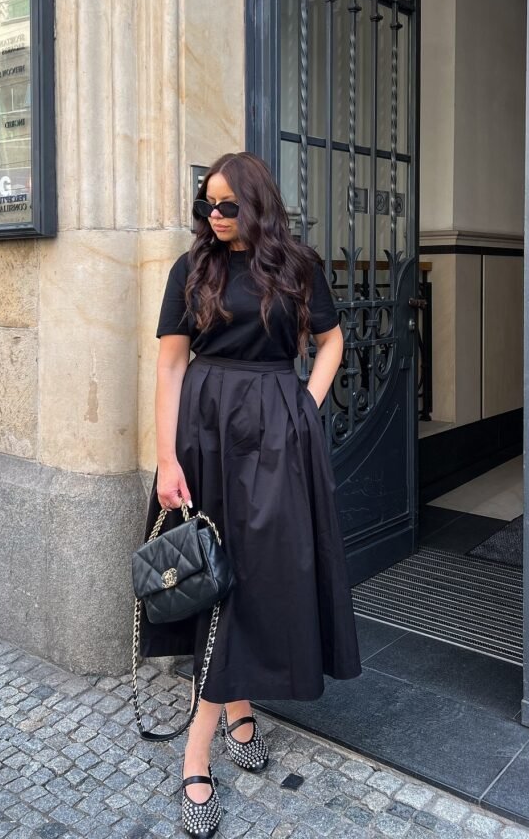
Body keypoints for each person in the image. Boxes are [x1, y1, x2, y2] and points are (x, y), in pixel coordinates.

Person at [140, 151, 361, 838]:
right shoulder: (192, 268)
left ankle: (227, 717)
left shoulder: (298, 265)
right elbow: (170, 366)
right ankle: (202, 747)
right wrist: (165, 457)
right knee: (216, 575)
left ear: (258, 203)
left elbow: (331, 341)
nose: (215, 215)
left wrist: (304, 408)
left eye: (229, 205)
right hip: (205, 432)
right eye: (207, 203)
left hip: (275, 434)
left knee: (260, 574)